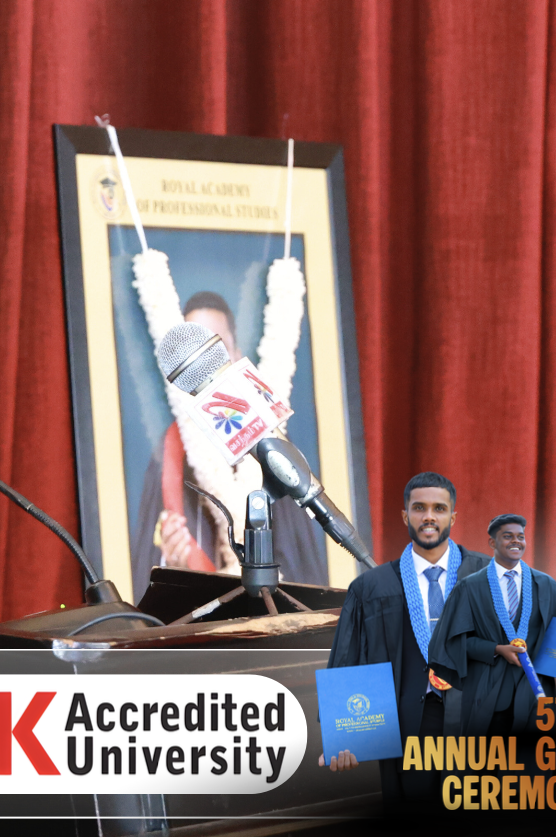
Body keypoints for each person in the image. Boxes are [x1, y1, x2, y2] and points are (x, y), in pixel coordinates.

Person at [132, 291, 327, 584]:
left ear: (235, 356)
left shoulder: (270, 443)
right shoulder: (169, 454)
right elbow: (146, 571)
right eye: (193, 360)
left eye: (214, 351)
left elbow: (299, 563)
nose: (204, 369)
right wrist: (174, 567)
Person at [324, 472, 490, 810]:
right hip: (410, 722)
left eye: (439, 508)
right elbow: (348, 659)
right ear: (405, 516)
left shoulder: (488, 575)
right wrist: (343, 737)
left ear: (453, 517)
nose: (429, 516)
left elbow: (530, 629)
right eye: (419, 508)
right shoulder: (371, 587)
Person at [433, 514, 556, 738]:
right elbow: (455, 642)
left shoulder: (545, 584)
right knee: (488, 759)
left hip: (535, 693)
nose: (516, 541)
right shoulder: (470, 587)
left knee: (532, 758)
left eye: (520, 537)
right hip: (488, 695)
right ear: (492, 542)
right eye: (508, 536)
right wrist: (496, 649)